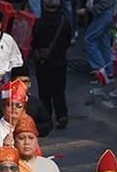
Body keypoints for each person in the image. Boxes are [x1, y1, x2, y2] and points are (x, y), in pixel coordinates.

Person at [32, 0, 72, 129]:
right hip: (60, 62)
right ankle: (62, 115)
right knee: (59, 90)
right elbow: (67, 40)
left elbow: (34, 41)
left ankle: (46, 115)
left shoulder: (39, 23)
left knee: (44, 92)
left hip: (43, 62)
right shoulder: (64, 22)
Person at [0, 69, 55, 139]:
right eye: (18, 81)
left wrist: (29, 128)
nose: (21, 84)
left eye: (25, 81)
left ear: (30, 83)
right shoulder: (6, 99)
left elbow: (47, 124)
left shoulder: (34, 102)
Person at [82, 0, 115, 86]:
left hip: (102, 14)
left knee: (89, 40)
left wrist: (90, 9)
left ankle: (101, 71)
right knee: (104, 43)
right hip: (108, 13)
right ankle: (109, 72)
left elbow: (105, 3)